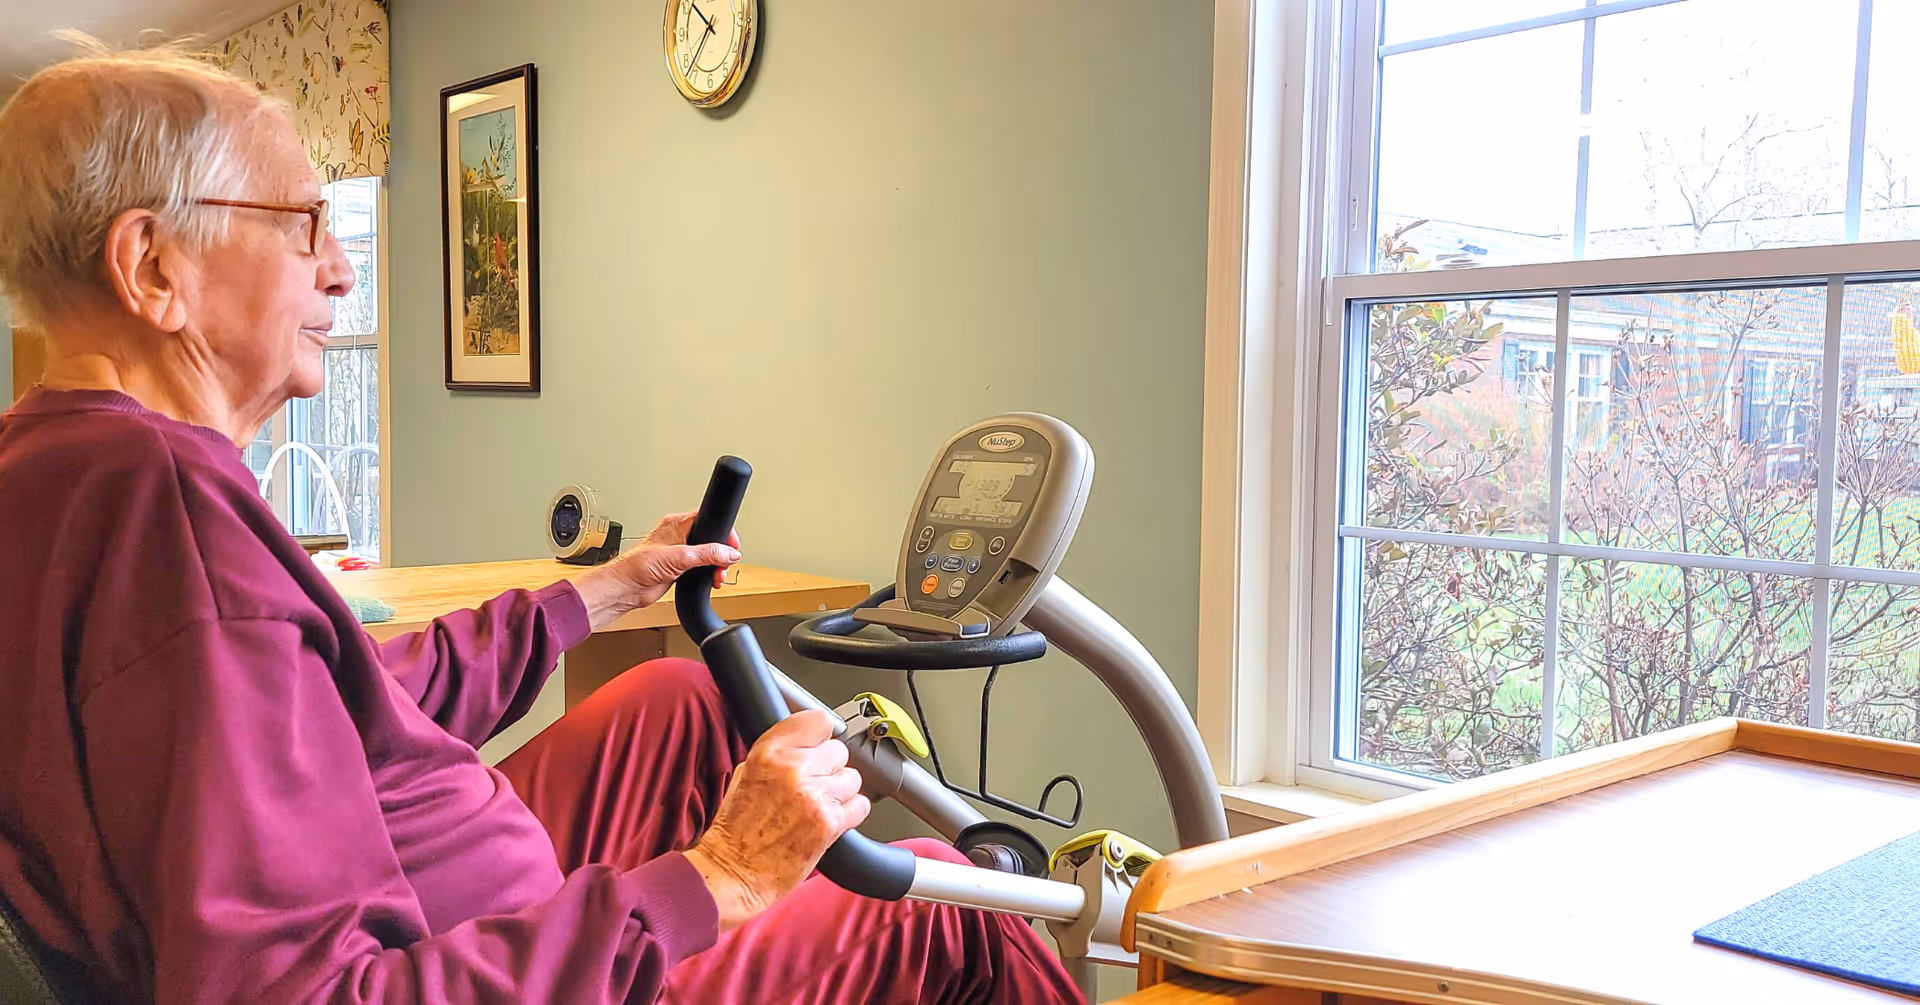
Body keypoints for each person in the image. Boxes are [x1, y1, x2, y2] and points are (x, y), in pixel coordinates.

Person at [0, 41, 1083, 1004]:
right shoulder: (167, 511)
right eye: (303, 226)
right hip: (435, 953)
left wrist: (602, 593)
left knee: (673, 695)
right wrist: (725, 875)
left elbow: (324, 711)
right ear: (153, 268)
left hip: (420, 881)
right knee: (951, 907)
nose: (339, 267)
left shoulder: (57, 462)